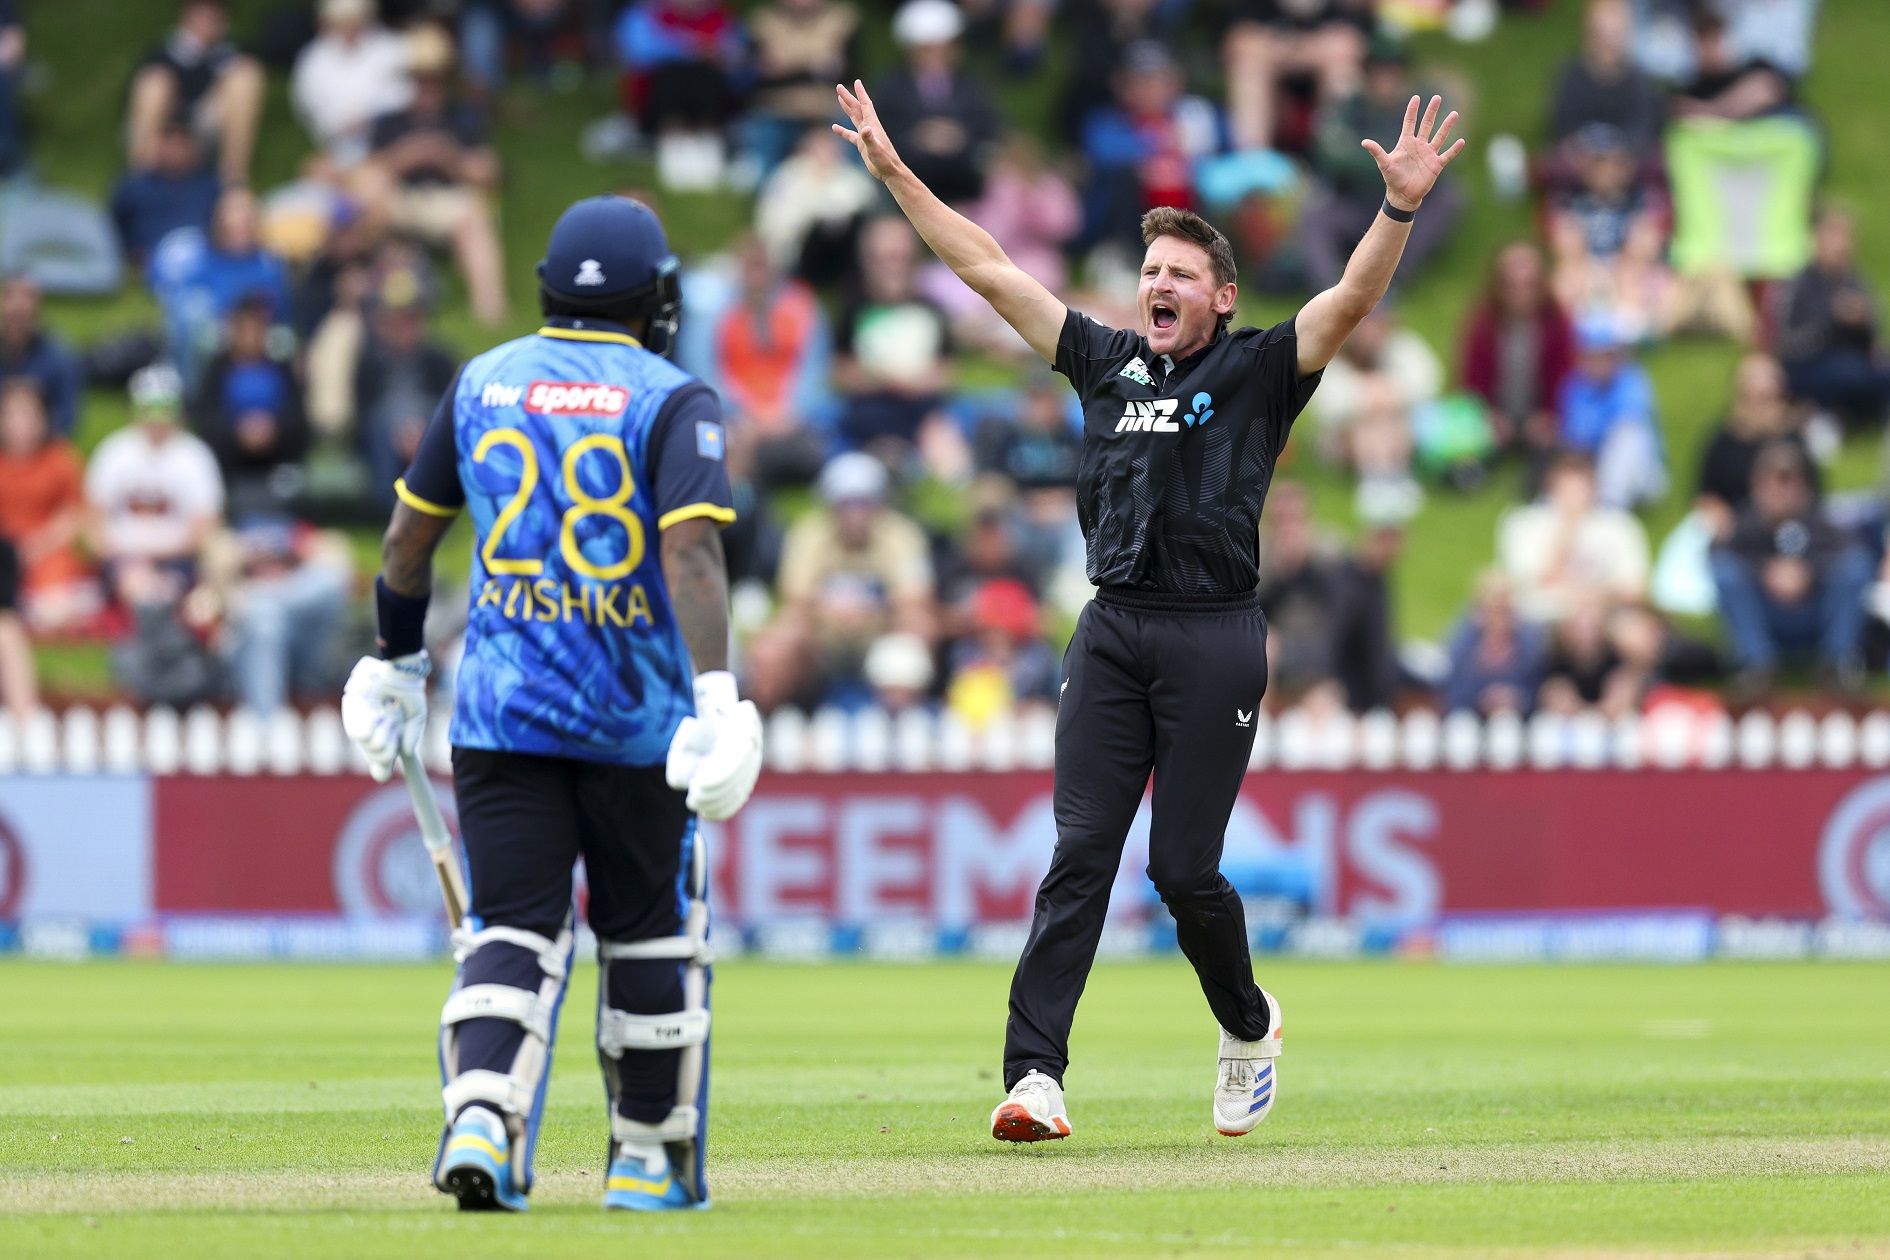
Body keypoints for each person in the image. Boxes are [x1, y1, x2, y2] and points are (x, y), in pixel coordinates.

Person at [833, 76, 1463, 1137]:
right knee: (1079, 849)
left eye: (1180, 273)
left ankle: (1249, 1022)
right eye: (1149, 271)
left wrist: (1396, 207)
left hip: (1216, 635)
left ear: (1221, 297)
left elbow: (1350, 299)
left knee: (1181, 871)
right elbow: (986, 268)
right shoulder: (1104, 362)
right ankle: (1035, 1075)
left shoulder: (1262, 368)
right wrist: (897, 175)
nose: (1157, 283)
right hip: (1114, 628)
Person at [340, 196, 760, 1214]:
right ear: (653, 298)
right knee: (650, 930)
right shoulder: (673, 396)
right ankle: (648, 1159)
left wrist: (394, 660)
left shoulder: (480, 380)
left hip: (502, 716)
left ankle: (481, 1118)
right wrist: (719, 696)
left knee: (510, 929)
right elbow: (692, 551)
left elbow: (405, 544)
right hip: (635, 722)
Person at [360, 26, 509, 326]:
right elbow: (367, 171)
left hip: (446, 200)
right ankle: (366, 288)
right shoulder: (389, 121)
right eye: (421, 80)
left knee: (473, 215)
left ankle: (490, 304)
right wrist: (405, 157)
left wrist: (450, 159)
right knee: (371, 192)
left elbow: (489, 171)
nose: (428, 87)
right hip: (399, 198)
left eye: (434, 80)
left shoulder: (461, 119)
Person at [1300, 39, 1463, 292]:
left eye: (1393, 72)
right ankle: (1330, 290)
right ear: (1366, 76)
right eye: (1378, 73)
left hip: (1411, 206)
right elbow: (1329, 156)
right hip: (1356, 201)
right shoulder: (1346, 107)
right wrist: (1393, 163)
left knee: (1451, 198)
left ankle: (1389, 281)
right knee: (1314, 214)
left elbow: (1440, 159)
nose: (1386, 80)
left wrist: (1362, 155)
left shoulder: (1419, 105)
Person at [1711, 439, 1870, 697]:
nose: (1779, 490)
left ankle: (1836, 666)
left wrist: (1809, 572)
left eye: (1787, 481)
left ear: (1804, 486)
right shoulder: (1741, 526)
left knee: (1855, 568)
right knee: (1725, 571)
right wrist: (1765, 570)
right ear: (1756, 485)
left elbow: (1854, 556)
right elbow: (1717, 555)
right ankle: (1757, 667)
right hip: (1767, 618)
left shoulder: (1821, 524)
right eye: (1771, 481)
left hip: (1814, 616)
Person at [775, 450, 937, 684]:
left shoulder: (902, 535)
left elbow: (916, 598)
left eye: (864, 503)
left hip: (882, 630)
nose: (855, 514)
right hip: (823, 636)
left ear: (879, 504)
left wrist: (862, 608)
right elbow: (795, 597)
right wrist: (837, 610)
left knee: (918, 623)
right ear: (830, 506)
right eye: (847, 504)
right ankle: (787, 710)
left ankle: (905, 711)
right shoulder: (807, 534)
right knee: (786, 630)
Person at [831, 217, 952, 451]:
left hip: (923, 410)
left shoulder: (932, 311)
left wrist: (912, 383)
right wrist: (886, 381)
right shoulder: (855, 309)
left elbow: (945, 372)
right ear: (868, 262)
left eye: (900, 258)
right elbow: (840, 371)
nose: (893, 268)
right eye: (884, 259)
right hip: (870, 413)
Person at [190, 293, 310, 518]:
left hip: (277, 450)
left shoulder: (281, 369)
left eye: (256, 329)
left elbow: (297, 414)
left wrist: (272, 428)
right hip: (230, 452)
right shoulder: (217, 370)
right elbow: (205, 415)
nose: (250, 337)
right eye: (243, 329)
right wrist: (239, 431)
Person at [869, 0, 1000, 207]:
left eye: (943, 48)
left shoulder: (971, 85)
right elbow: (881, 127)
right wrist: (918, 137)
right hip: (910, 172)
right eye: (928, 49)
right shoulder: (892, 87)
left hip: (962, 174)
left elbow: (988, 127)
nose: (936, 55)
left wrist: (959, 137)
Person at [1496, 450, 1649, 624]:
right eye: (1567, 488)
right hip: (1542, 619)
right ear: (1551, 488)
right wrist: (1568, 530)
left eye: (1580, 488)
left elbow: (1634, 591)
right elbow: (1526, 584)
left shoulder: (1621, 526)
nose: (1574, 496)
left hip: (1603, 619)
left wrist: (1588, 598)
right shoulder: (1524, 524)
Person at [126, 0, 265, 187]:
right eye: (201, 11)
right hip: (165, 129)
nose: (208, 18)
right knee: (154, 82)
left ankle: (233, 182)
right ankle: (142, 180)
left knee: (246, 76)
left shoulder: (233, 54)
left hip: (205, 129)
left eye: (215, 12)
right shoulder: (160, 54)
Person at [1775, 207, 1890, 426]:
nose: (1841, 245)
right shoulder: (1798, 285)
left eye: (1846, 237)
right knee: (1848, 373)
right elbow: (1787, 345)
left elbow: (1874, 339)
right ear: (1817, 239)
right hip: (1809, 365)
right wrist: (1833, 322)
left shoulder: (1855, 281)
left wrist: (1863, 322)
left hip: (1853, 362)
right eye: (1834, 236)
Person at [1457, 242, 1575, 454]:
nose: (1521, 295)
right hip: (1496, 414)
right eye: (1512, 286)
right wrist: (1489, 414)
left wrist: (1549, 413)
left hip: (1540, 416)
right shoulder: (1483, 324)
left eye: (1529, 285)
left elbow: (1565, 375)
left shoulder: (1557, 323)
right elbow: (1472, 378)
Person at [356, 271, 460, 507]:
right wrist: (399, 431)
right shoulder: (370, 361)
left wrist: (419, 430)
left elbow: (449, 409)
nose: (404, 327)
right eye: (397, 320)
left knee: (434, 429)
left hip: (426, 425)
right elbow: (363, 410)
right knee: (379, 428)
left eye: (411, 319)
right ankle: (389, 506)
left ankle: (434, 503)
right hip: (386, 430)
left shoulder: (439, 359)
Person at [0, 378, 96, 633]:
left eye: (29, 416)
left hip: (49, 552)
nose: (20, 425)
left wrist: (35, 547)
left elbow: (76, 515)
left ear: (43, 419)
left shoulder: (61, 459)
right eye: (12, 416)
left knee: (55, 597)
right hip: (6, 552)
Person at [1220, 0, 1371, 154]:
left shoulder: (1340, 9)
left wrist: (1301, 49)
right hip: (1272, 81)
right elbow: (1238, 41)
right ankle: (1252, 160)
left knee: (1342, 68)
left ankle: (1338, 155)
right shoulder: (1254, 8)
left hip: (1321, 83)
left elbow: (1353, 41)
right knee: (1250, 66)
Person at [1556, 311, 1666, 509]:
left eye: (1604, 354)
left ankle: (1609, 508)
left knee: (1628, 435)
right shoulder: (1572, 386)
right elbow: (1574, 443)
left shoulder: (1632, 381)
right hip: (1592, 469)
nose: (1597, 362)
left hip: (1643, 476)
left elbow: (1624, 434)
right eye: (1591, 354)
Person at [1696, 352, 1816, 530]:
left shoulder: (1794, 440)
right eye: (1753, 399)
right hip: (1735, 534)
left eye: (1768, 398)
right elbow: (1706, 496)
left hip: (1789, 528)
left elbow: (1814, 495)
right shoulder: (1724, 442)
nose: (1761, 408)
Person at [291, 0, 416, 165]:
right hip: (337, 145)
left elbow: (408, 92)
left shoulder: (394, 48)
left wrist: (371, 115)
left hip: (392, 142)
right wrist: (338, 125)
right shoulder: (314, 57)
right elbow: (307, 102)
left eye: (354, 19)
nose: (348, 27)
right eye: (342, 20)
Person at [1548, 0, 1666, 159]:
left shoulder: (1638, 82)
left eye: (1614, 36)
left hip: (1626, 161)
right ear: (1587, 36)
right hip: (1582, 160)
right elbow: (1563, 124)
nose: (1607, 45)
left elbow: (1643, 127)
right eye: (1601, 36)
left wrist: (1619, 155)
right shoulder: (1571, 77)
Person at [111, 121, 223, 270]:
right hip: (146, 261)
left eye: (182, 143)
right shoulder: (134, 185)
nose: (175, 150)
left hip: (201, 261)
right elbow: (111, 229)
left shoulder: (211, 188)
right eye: (169, 141)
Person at [1442, 573, 1547, 716]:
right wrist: (1482, 699)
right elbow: (1451, 695)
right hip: (1472, 721)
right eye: (1493, 609)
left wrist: (1517, 699)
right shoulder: (1461, 648)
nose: (1498, 619)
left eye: (1504, 610)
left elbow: (1539, 693)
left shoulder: (1532, 648)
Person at [0, 277, 85, 439]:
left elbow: (69, 417)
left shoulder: (61, 359)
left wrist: (31, 430)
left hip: (42, 447)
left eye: (23, 317)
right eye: (13, 317)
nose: (17, 325)